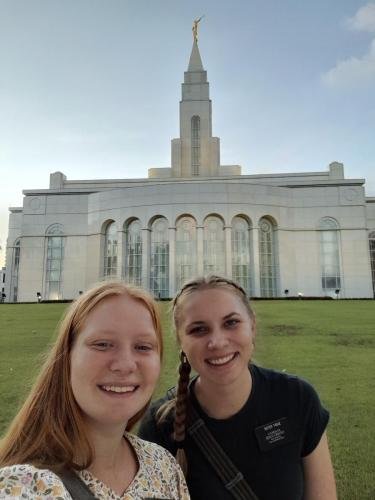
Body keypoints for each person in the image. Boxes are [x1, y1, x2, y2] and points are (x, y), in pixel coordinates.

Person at [138, 276, 337, 500]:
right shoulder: (160, 425)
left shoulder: (297, 399)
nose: (218, 342)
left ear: (252, 325)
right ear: (181, 341)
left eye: (231, 323)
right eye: (199, 329)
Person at [0, 281, 190, 499]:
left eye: (143, 347)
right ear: (67, 357)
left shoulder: (164, 467)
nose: (125, 364)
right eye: (102, 344)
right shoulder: (27, 487)